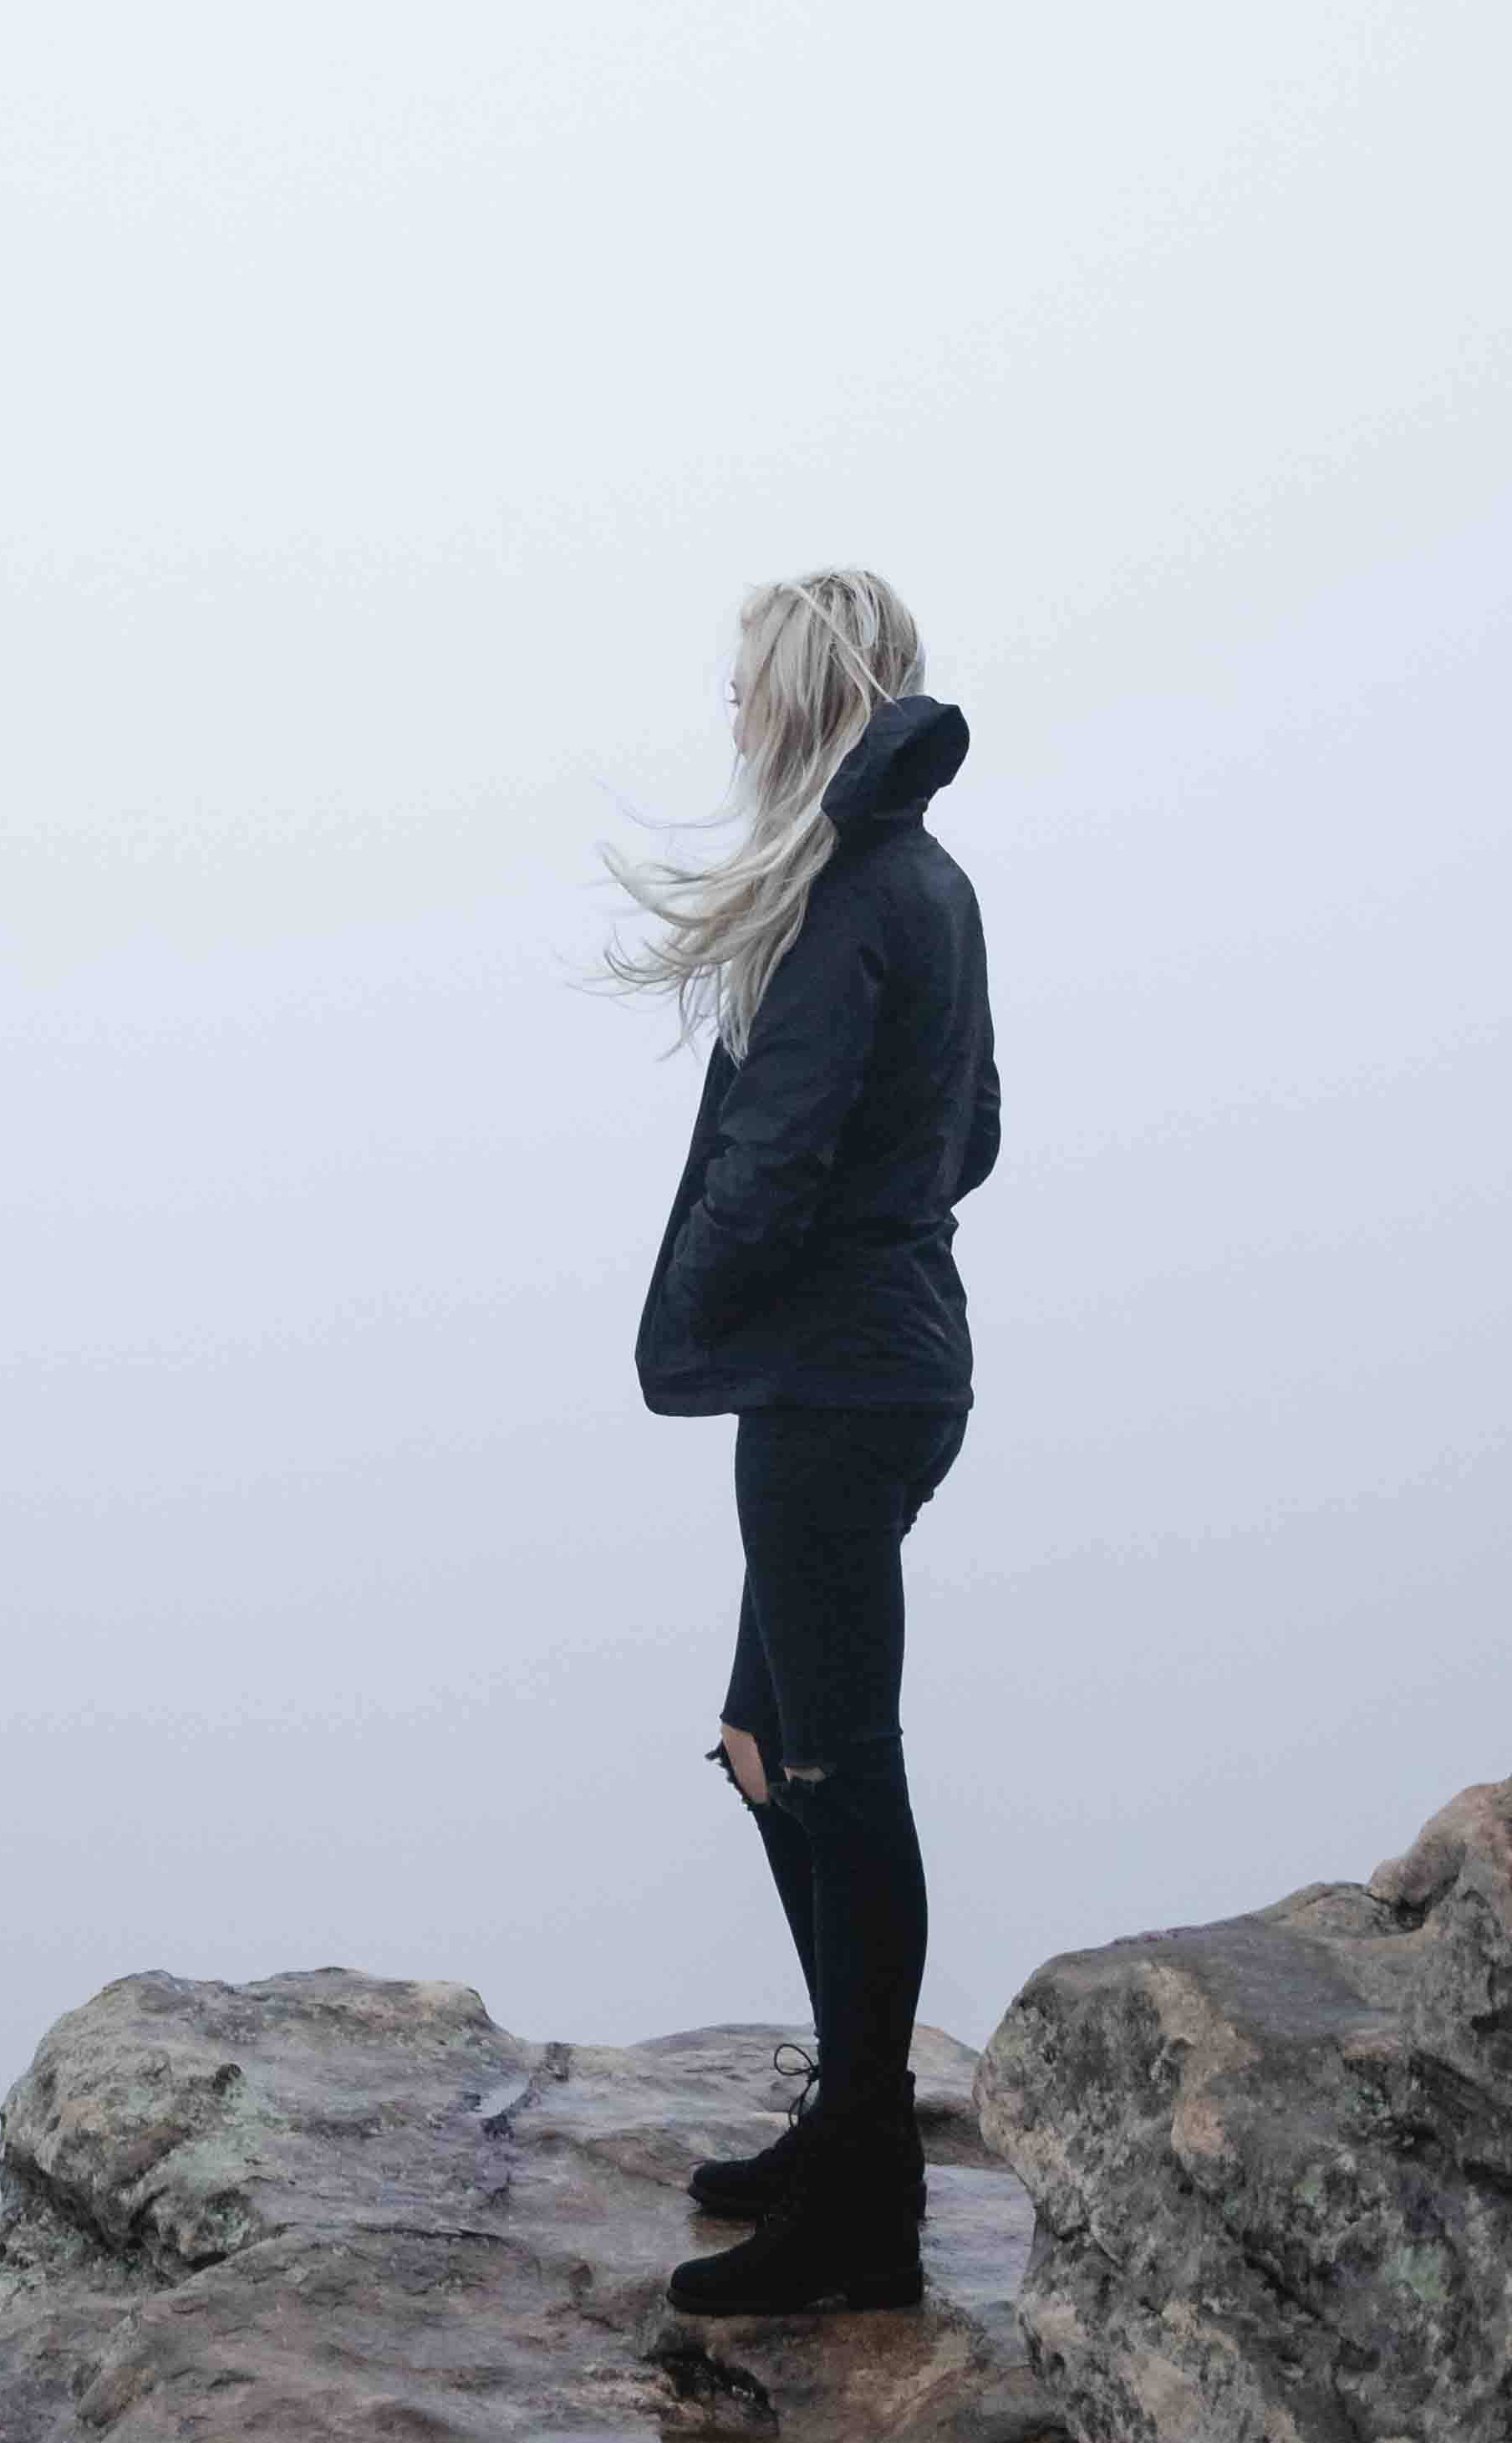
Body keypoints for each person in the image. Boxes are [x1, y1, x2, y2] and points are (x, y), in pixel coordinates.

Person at [603, 569, 997, 2316]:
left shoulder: (852, 890)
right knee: (770, 1745)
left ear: (798, 694)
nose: (730, 717)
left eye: (741, 687)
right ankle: (846, 2122)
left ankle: (868, 2194)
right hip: (880, 1372)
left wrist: (706, 1296)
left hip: (835, 1392)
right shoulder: (926, 880)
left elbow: (781, 1147)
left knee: (838, 1766)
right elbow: (968, 1131)